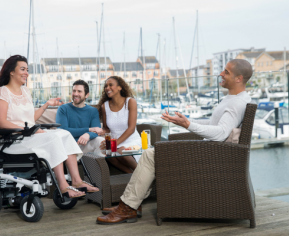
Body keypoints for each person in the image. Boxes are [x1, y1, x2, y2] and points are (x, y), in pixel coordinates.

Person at [96, 59, 253, 224]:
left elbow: (221, 133)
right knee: (151, 154)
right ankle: (130, 205)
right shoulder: (235, 98)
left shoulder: (236, 103)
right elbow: (217, 125)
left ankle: (128, 206)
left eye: (226, 72)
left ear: (238, 78)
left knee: (151, 154)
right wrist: (185, 122)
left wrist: (188, 124)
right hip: (214, 154)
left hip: (214, 159)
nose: (221, 73)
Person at [0, 55, 98, 198]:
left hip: (29, 136)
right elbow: (1, 122)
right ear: (11, 71)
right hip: (13, 140)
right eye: (22, 69)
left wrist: (47, 105)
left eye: (27, 69)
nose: (26, 73)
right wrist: (29, 130)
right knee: (53, 137)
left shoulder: (25, 91)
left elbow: (30, 119)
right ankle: (63, 185)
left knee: (64, 134)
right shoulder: (2, 92)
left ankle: (77, 180)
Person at [97, 76, 142, 173]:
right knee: (106, 154)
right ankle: (131, 174)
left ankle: (140, 174)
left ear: (120, 87)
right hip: (115, 142)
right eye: (106, 86)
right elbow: (107, 128)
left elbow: (131, 129)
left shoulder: (130, 102)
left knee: (121, 151)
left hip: (131, 140)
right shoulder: (105, 106)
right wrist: (100, 132)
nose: (107, 88)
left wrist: (115, 143)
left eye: (110, 85)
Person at [57, 80, 105, 158]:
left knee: (100, 140)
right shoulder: (63, 109)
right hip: (67, 146)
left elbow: (97, 131)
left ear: (86, 95)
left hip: (84, 145)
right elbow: (63, 131)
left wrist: (87, 134)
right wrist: (88, 130)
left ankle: (98, 169)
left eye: (79, 91)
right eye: (74, 91)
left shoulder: (93, 111)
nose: (75, 94)